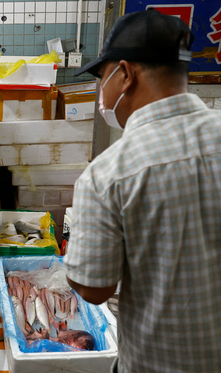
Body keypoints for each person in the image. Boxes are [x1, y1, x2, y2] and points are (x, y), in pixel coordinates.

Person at [64, 9, 221, 373]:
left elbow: (93, 288)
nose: (102, 91)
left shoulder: (109, 173)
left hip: (159, 362)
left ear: (125, 74)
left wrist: (76, 245)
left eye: (102, 78)